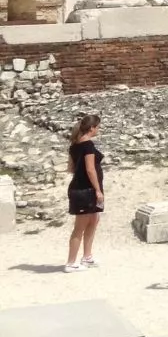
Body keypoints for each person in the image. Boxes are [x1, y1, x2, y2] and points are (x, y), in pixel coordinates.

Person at [65, 113, 104, 271]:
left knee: (94, 221)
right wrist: (97, 190)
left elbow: (71, 168)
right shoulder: (87, 145)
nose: (98, 130)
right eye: (98, 127)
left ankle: (87, 257)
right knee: (79, 227)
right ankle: (71, 263)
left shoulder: (75, 146)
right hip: (85, 190)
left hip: (85, 189)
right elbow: (90, 169)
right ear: (92, 128)